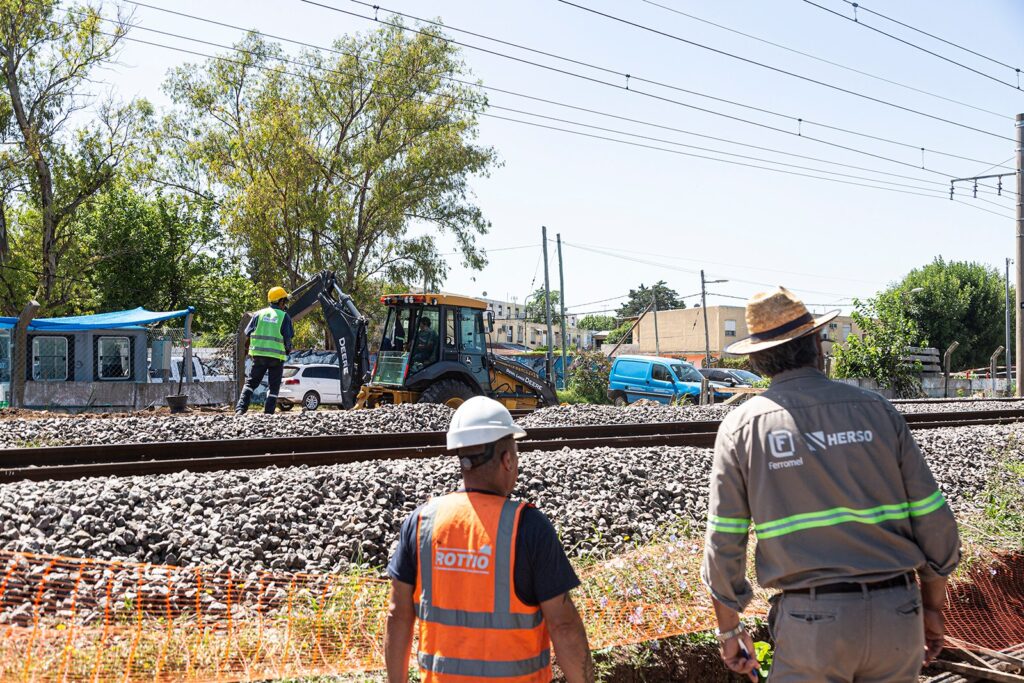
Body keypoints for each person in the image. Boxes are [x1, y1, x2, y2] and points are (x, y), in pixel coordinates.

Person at [701, 286, 960, 683]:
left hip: (812, 624)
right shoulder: (877, 411)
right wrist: (932, 606)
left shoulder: (743, 426)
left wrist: (730, 630)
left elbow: (724, 540)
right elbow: (934, 520)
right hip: (897, 612)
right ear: (817, 346)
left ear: (756, 359)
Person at [384, 396, 594, 683]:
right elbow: (564, 626)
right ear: (508, 460)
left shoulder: (421, 522)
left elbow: (398, 614)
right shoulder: (528, 527)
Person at [236, 286, 294, 415]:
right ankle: (268, 413)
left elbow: (247, 333)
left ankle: (240, 409)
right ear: (280, 301)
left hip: (259, 356)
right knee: (273, 387)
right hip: (276, 358)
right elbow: (288, 339)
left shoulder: (258, 314)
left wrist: (249, 351)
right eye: (285, 301)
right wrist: (288, 350)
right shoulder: (284, 316)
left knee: (251, 383)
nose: (285, 304)